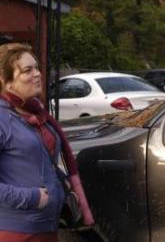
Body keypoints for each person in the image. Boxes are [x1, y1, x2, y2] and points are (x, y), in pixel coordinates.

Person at [0, 43, 94, 241]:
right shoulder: (2, 119)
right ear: (5, 82)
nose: (37, 74)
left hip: (47, 225)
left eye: (36, 67)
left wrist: (61, 183)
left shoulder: (36, 113)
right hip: (16, 231)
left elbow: (39, 160)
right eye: (28, 70)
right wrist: (33, 198)